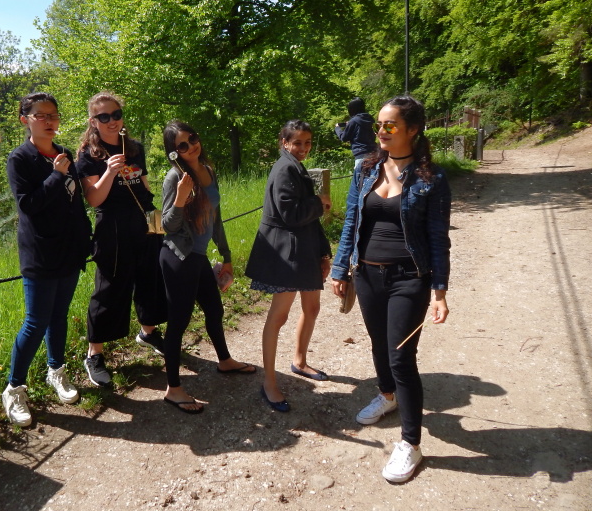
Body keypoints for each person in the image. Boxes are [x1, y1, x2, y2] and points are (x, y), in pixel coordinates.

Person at [330, 95, 451, 483]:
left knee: (401, 357)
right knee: (379, 344)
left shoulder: (432, 179)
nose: (380, 131)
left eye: (390, 125)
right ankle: (387, 395)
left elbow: (438, 239)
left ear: (412, 130)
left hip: (408, 278)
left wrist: (440, 291)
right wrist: (340, 269)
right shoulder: (366, 169)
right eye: (378, 125)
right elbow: (351, 221)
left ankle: (411, 443)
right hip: (367, 274)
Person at [2, 92, 93, 427]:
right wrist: (55, 176)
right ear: (25, 120)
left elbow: (75, 202)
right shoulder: (20, 158)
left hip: (69, 250)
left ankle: (56, 371)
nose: (49, 121)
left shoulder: (64, 153)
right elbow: (28, 206)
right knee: (36, 322)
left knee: (59, 316)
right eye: (41, 115)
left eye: (53, 114)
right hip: (40, 254)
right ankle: (14, 389)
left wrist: (86, 239)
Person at [159, 120, 256, 414]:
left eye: (193, 138)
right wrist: (180, 198)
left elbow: (216, 217)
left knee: (214, 310)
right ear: (173, 152)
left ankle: (225, 361)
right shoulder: (174, 178)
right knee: (178, 322)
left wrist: (226, 256)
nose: (191, 146)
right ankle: (173, 389)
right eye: (182, 145)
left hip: (199, 256)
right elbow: (167, 226)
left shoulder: (208, 170)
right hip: (179, 257)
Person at [75, 91, 168, 387]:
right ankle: (95, 354)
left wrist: (157, 220)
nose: (111, 121)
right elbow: (94, 199)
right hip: (113, 225)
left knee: (151, 277)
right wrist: (109, 172)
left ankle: (148, 332)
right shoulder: (89, 154)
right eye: (104, 117)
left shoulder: (134, 147)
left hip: (145, 219)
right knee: (110, 287)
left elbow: (144, 186)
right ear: (93, 121)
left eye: (116, 114)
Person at [245, 120, 332, 413]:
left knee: (312, 308)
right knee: (279, 316)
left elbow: (309, 220)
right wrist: (319, 202)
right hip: (286, 254)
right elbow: (290, 214)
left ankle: (300, 361)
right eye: (297, 143)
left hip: (305, 251)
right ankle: (269, 382)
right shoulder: (284, 168)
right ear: (284, 142)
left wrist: (323, 252)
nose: (303, 148)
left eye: (307, 142)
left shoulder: (296, 167)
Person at [335, 96, 376, 169]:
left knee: (360, 175)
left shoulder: (353, 121)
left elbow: (344, 138)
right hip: (374, 153)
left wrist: (337, 128)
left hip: (361, 155)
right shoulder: (370, 119)